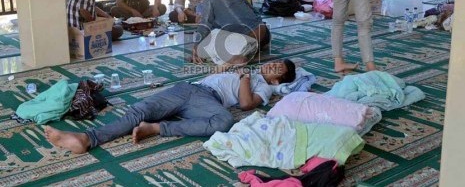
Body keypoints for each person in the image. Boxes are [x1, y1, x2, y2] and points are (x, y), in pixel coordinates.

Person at [44, 60, 296, 154]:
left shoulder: (264, 86)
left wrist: (245, 77)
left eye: (277, 70)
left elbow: (244, 103)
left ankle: (157, 129)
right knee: (140, 110)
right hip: (188, 88)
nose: (271, 67)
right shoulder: (249, 68)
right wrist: (232, 64)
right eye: (273, 64)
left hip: (207, 101)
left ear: (277, 80)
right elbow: (215, 71)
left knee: (224, 122)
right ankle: (87, 139)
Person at [192, 0, 270, 65]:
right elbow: (254, 12)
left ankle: (240, 55)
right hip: (264, 34)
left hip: (245, 40)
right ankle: (252, 49)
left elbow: (204, 26)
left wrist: (196, 46)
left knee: (213, 35)